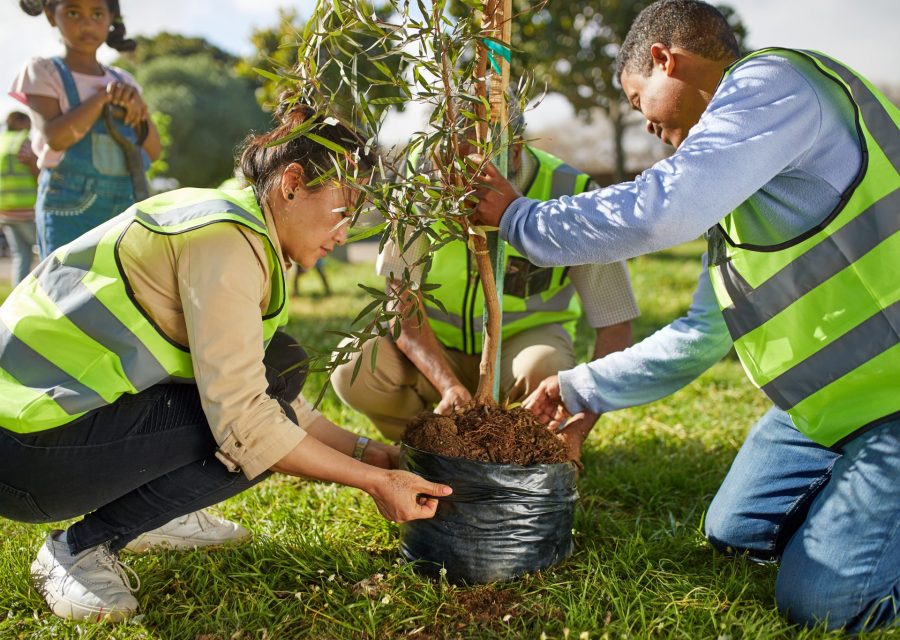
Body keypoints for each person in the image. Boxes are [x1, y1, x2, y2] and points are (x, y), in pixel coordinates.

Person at [472, 0, 898, 632]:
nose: (644, 123)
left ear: (665, 60)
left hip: (893, 404)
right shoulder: (739, 195)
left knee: (824, 605)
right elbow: (699, 336)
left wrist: (518, 218)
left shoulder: (773, 85)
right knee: (735, 534)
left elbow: (658, 210)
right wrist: (577, 385)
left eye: (638, 97)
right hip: (828, 410)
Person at [0, 105, 452, 622]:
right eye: (343, 208)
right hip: (24, 452)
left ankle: (151, 515)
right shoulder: (224, 240)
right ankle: (76, 548)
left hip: (40, 428)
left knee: (280, 366)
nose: (345, 233)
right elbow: (249, 423)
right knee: (257, 419)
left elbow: (268, 394)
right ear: (292, 182)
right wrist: (374, 483)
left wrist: (371, 454)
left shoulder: (233, 220)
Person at [331, 129, 639, 444]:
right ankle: (431, 444)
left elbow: (615, 321)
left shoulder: (570, 192)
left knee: (545, 368)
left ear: (515, 151)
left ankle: (521, 449)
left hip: (519, 352)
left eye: (473, 168)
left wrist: (578, 428)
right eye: (448, 162)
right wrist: (448, 385)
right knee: (353, 368)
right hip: (435, 350)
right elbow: (401, 299)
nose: (455, 183)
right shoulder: (416, 179)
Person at [10, 0, 161, 259]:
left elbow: (154, 150)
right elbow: (56, 139)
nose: (87, 22)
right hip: (67, 207)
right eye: (73, 12)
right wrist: (103, 99)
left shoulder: (124, 81)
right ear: (50, 15)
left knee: (124, 292)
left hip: (126, 204)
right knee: (67, 288)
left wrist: (139, 111)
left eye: (97, 13)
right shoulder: (43, 71)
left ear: (110, 18)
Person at [0, 111, 38, 285]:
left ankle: (17, 301)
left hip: (6, 211)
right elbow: (37, 170)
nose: (30, 126)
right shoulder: (23, 142)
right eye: (28, 122)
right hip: (27, 210)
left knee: (20, 256)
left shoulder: (2, 142)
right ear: (19, 122)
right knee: (47, 253)